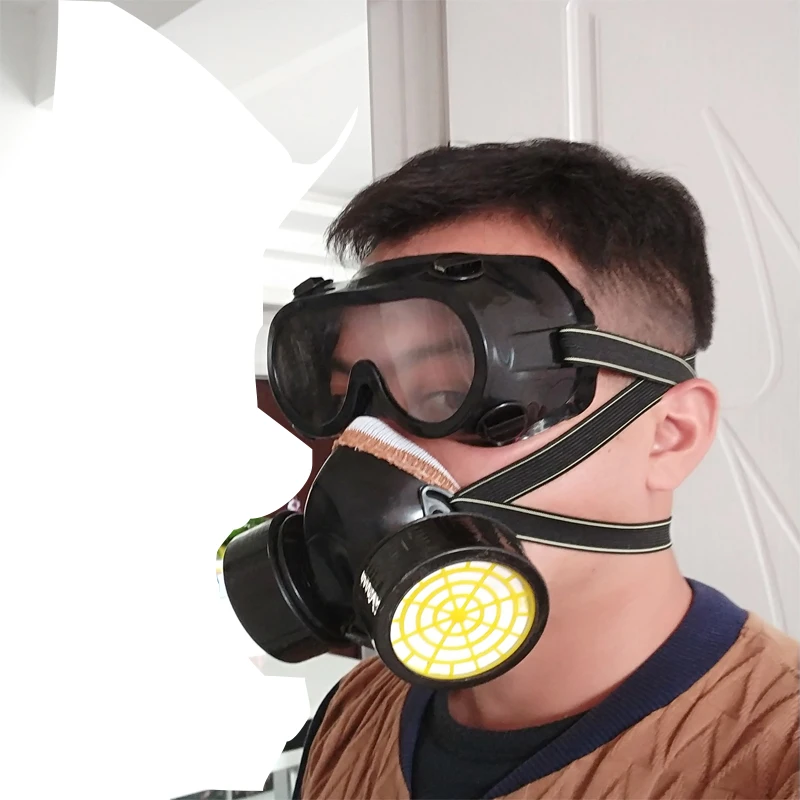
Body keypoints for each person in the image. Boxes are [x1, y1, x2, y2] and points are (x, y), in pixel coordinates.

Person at [279, 140, 799, 799]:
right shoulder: (357, 708)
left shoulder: (775, 752)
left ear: (670, 436)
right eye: (352, 402)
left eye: (448, 392)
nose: (375, 450)